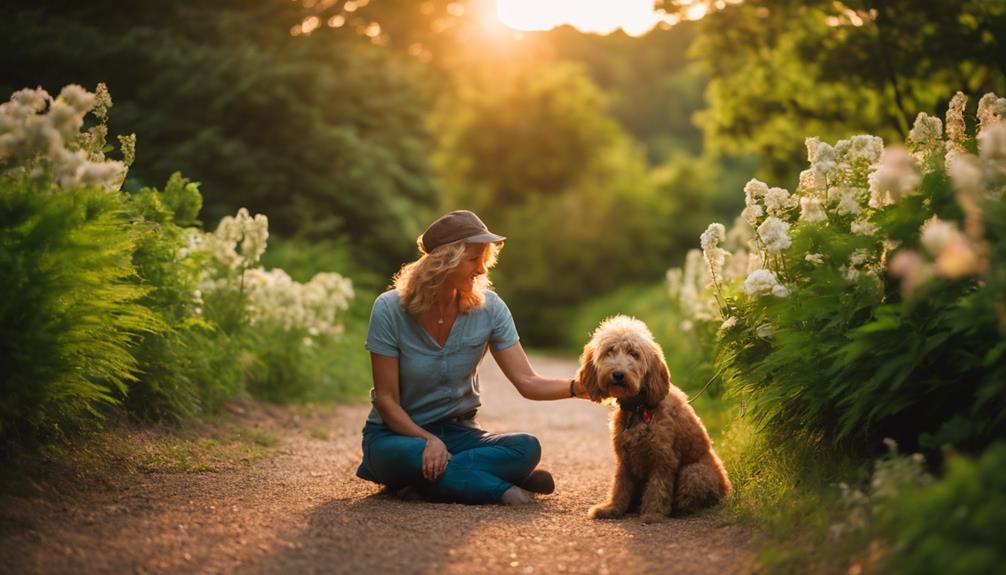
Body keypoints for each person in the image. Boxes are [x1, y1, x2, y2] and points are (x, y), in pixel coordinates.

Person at [356, 210, 587, 505]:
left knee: (526, 448)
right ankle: (500, 487)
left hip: (461, 434)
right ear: (444, 260)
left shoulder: (490, 308)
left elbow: (528, 381)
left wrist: (577, 387)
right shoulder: (389, 309)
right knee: (411, 456)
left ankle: (422, 485)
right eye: (473, 259)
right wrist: (428, 440)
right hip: (398, 437)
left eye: (484, 260)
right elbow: (386, 399)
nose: (481, 270)